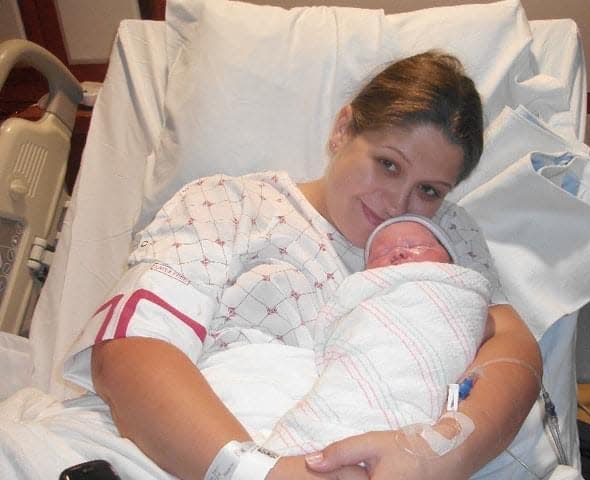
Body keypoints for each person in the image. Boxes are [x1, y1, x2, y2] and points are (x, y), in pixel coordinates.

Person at [63, 50, 541, 480]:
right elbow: (128, 352)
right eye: (388, 164)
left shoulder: (450, 235)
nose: (399, 202)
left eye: (430, 190)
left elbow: (513, 351)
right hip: (209, 452)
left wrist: (440, 453)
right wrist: (259, 473)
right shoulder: (232, 205)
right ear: (342, 130)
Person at [257, 214, 490, 456]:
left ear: (451, 263)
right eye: (381, 254)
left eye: (417, 246)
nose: (399, 253)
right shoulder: (366, 293)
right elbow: (347, 327)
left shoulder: (459, 293)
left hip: (424, 412)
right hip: (358, 375)